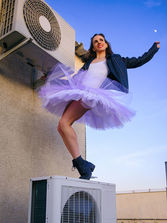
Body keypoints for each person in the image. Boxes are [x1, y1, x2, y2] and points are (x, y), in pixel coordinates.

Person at [39, 33, 160, 180]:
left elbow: (139, 60)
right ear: (93, 47)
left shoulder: (116, 59)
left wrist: (154, 48)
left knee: (64, 123)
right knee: (62, 125)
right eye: (95, 41)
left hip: (95, 95)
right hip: (82, 92)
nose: (99, 43)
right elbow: (74, 80)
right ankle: (83, 165)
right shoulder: (88, 64)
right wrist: (52, 77)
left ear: (106, 44)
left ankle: (83, 167)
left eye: (101, 40)